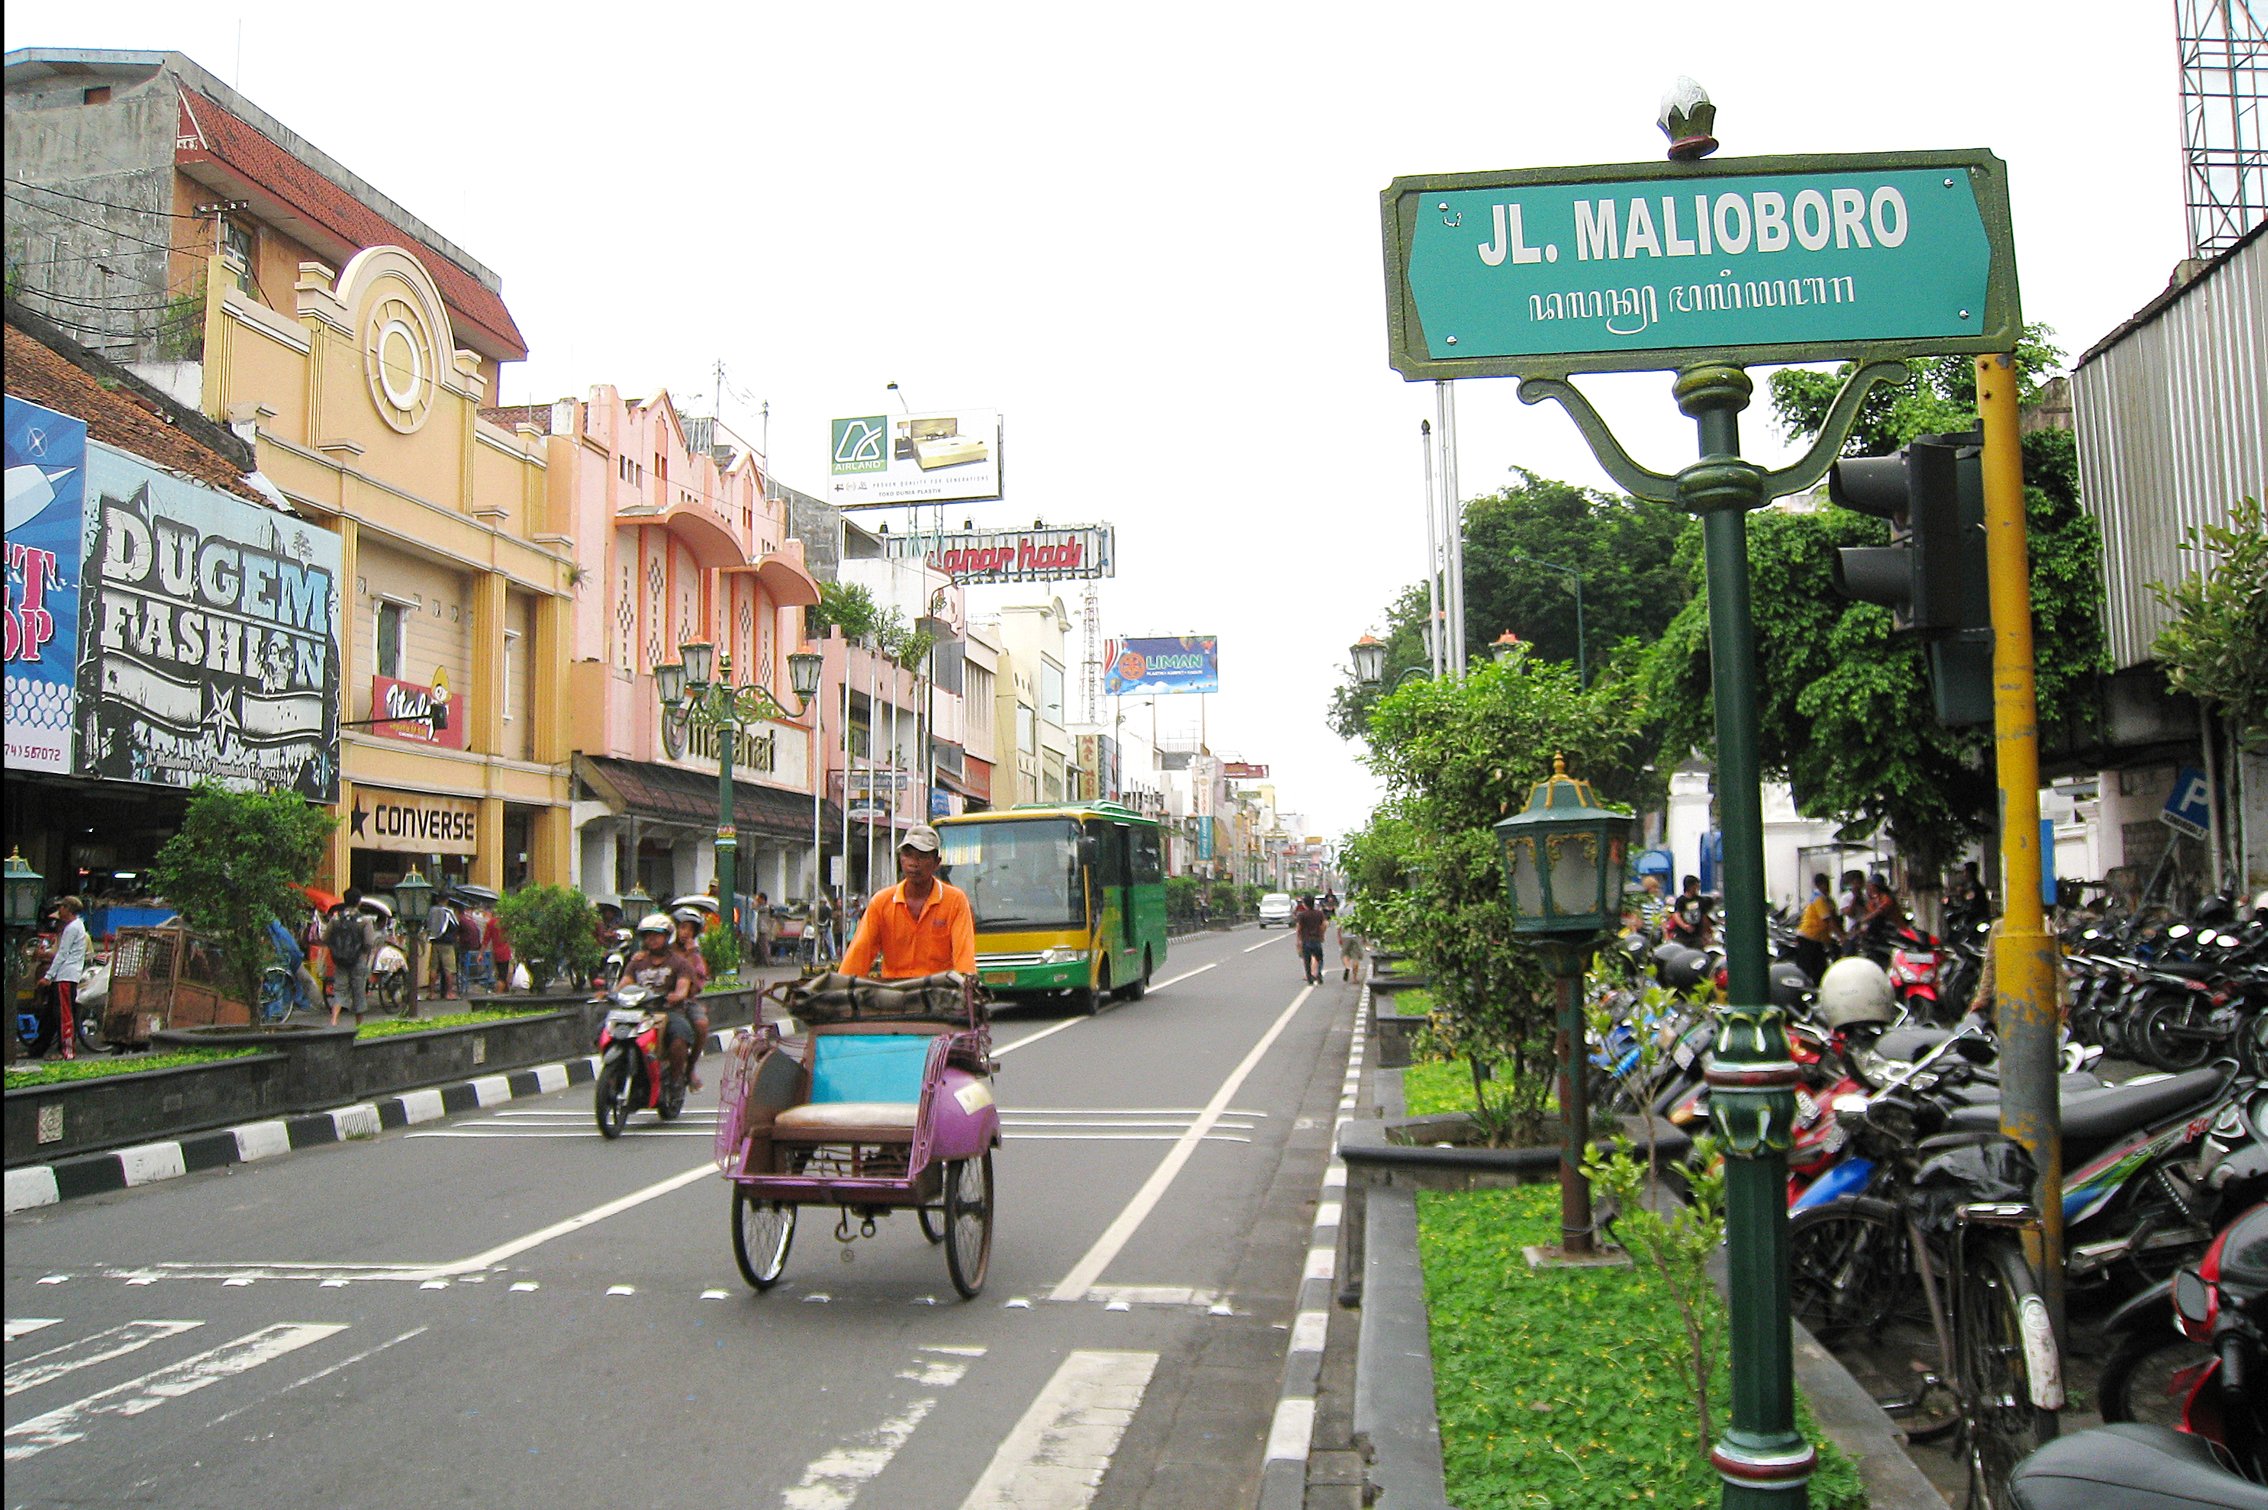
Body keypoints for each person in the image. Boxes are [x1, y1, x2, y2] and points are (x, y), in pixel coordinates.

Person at [842, 825, 976, 981]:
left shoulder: (955, 901)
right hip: (894, 993)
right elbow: (858, 956)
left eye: (922, 856)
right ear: (901, 859)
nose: (913, 863)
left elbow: (964, 958)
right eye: (908, 855)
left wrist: (967, 987)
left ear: (936, 862)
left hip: (938, 992)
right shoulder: (881, 902)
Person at [626, 912, 698, 1092]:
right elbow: (624, 983)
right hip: (639, 1012)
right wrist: (609, 993)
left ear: (667, 937)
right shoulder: (637, 961)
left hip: (668, 1011)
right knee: (605, 1030)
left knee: (679, 1038)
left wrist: (677, 995)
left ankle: (675, 1079)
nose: (652, 939)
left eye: (656, 934)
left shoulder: (680, 963)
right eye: (648, 935)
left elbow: (683, 987)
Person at [40, 895, 88, 1060]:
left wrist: (48, 975)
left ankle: (67, 1051)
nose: (59, 910)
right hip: (65, 975)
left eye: (61, 907)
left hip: (66, 976)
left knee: (64, 1014)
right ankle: (40, 1048)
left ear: (68, 909)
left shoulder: (72, 928)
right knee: (52, 1014)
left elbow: (62, 954)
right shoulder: (77, 926)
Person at [671, 907, 713, 1090]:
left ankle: (689, 1069)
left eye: (689, 929)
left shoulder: (695, 956)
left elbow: (696, 984)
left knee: (701, 1025)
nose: (685, 933)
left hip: (684, 1002)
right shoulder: (662, 950)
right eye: (682, 927)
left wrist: (691, 955)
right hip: (654, 1001)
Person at [325, 891, 376, 1026]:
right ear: (359, 902)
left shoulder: (336, 919)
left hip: (340, 960)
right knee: (358, 991)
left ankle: (334, 1020)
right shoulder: (365, 921)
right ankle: (358, 1025)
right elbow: (369, 942)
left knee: (339, 990)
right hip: (358, 960)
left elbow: (325, 937)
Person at [1794, 872, 1841, 984]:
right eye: (1827, 884)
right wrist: (1842, 937)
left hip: (1817, 938)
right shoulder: (1818, 899)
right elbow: (1828, 920)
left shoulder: (1825, 899)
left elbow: (1834, 917)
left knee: (1820, 967)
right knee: (1808, 967)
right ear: (1821, 885)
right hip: (1809, 936)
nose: (1828, 887)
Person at [426, 895, 460, 1000]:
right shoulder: (448, 912)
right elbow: (455, 925)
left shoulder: (432, 911)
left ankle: (431, 993)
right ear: (447, 900)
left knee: (433, 968)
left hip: (435, 942)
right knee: (449, 969)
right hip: (447, 943)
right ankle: (449, 993)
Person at [1291, 893, 1329, 985]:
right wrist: (1322, 934)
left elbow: (1299, 928)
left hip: (1306, 939)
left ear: (1305, 904)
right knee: (1319, 958)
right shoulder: (1319, 913)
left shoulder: (1302, 915)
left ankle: (1309, 978)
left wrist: (1298, 940)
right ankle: (1318, 973)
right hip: (1316, 939)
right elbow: (1324, 924)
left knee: (1307, 960)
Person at [1947, 861, 1992, 932]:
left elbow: (1970, 901)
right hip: (1970, 916)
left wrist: (1962, 894)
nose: (1964, 874)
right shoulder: (1968, 886)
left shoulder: (1975, 887)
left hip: (1975, 918)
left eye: (1966, 871)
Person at [485, 907, 513, 993]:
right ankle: (499, 994)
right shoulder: (505, 923)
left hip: (495, 951)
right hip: (505, 951)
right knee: (503, 975)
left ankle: (505, 990)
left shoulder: (490, 923)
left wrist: (481, 953)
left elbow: (486, 939)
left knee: (499, 973)